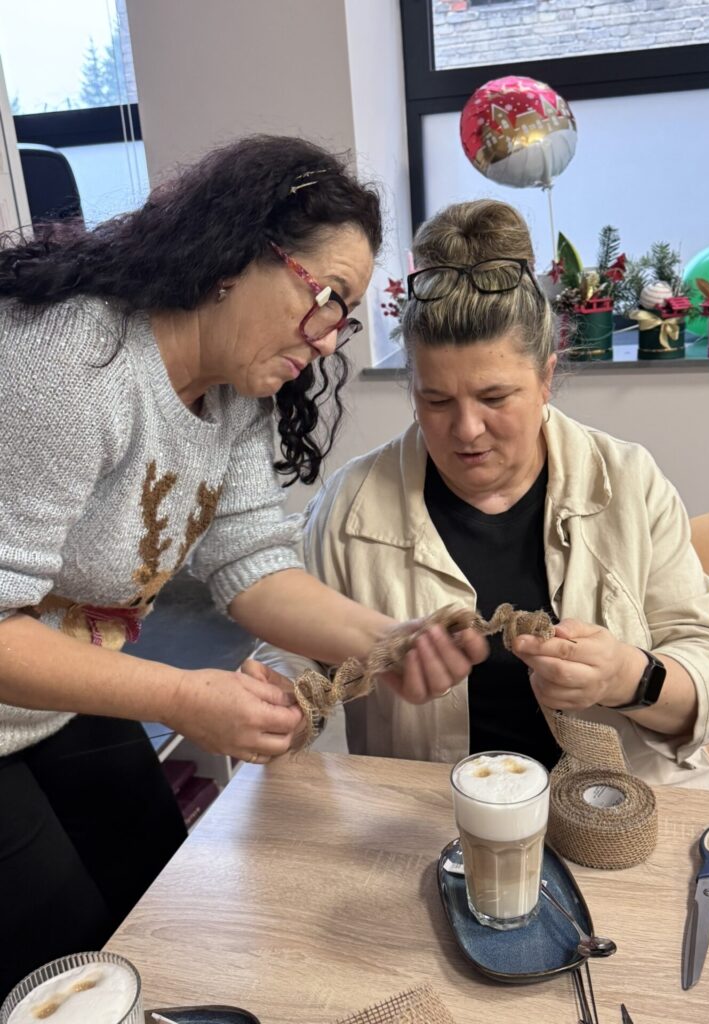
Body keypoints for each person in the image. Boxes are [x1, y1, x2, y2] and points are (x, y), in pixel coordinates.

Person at [0, 136, 486, 995]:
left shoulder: (232, 394)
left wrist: (388, 639)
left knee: (154, 916)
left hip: (50, 699)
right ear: (235, 254)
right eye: (328, 299)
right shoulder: (72, 363)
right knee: (71, 973)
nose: (331, 340)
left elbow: (252, 560)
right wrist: (185, 697)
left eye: (346, 317)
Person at [255, 198, 709, 790]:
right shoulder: (350, 507)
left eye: (494, 398)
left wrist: (628, 677)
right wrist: (279, 704)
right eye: (436, 400)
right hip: (432, 816)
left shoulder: (627, 483)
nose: (466, 430)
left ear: (546, 377)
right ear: (411, 388)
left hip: (623, 808)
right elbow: (290, 656)